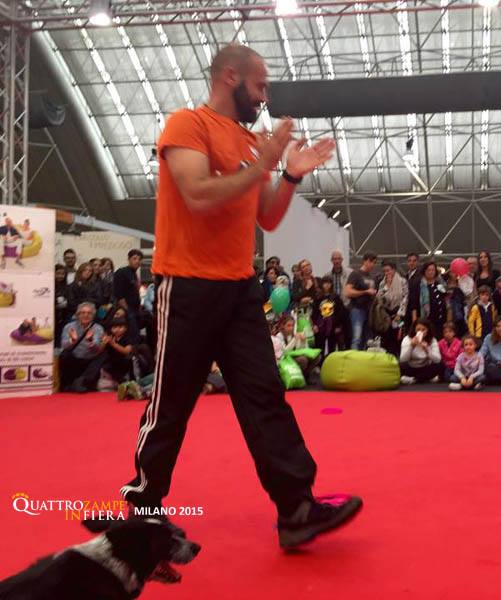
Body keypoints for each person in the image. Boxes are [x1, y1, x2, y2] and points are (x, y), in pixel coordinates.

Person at [119, 44, 360, 550]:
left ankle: (296, 509)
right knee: (171, 404)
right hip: (186, 284)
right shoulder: (188, 124)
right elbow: (198, 193)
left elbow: (266, 216)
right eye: (260, 85)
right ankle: (143, 511)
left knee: (265, 397)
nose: (265, 96)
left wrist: (289, 174)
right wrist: (264, 163)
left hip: (238, 287)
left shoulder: (251, 142)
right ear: (231, 77)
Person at [59, 302, 107, 393]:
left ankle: (82, 381)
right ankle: (67, 384)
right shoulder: (69, 327)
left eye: (89, 313)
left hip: (89, 359)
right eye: (83, 313)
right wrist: (72, 341)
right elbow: (64, 346)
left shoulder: (98, 328)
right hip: (74, 359)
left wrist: (90, 341)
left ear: (93, 316)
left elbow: (97, 349)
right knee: (64, 354)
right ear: (78, 315)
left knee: (103, 355)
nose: (86, 315)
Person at [345, 252, 378, 350]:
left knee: (366, 340)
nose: (373, 265)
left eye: (374, 263)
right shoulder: (355, 274)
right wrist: (365, 292)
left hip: (369, 311)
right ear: (365, 261)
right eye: (371, 262)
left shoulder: (372, 277)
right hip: (357, 309)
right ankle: (353, 358)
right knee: (357, 338)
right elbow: (348, 292)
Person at [376, 261, 408, 356]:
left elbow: (405, 298)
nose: (386, 273)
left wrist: (399, 314)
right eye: (384, 271)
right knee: (386, 337)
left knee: (398, 336)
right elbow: (379, 298)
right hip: (386, 314)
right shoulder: (382, 283)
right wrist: (387, 286)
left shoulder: (402, 281)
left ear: (394, 270)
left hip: (399, 313)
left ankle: (397, 357)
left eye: (388, 270)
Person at [276, 315, 320, 383]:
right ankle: (294, 378)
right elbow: (284, 352)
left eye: (292, 325)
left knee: (316, 357)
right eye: (288, 325)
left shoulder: (293, 334)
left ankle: (305, 376)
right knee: (303, 360)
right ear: (283, 326)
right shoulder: (279, 336)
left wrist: (303, 341)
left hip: (292, 357)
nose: (291, 328)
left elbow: (301, 350)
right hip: (283, 360)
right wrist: (295, 339)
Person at [399, 318, 443, 384]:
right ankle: (425, 379)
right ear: (414, 330)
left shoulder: (432, 339)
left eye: (423, 330)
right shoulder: (407, 339)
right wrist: (411, 346)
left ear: (428, 330)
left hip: (425, 367)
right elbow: (403, 359)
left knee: (441, 365)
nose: (420, 332)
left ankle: (414, 380)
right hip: (411, 367)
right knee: (400, 366)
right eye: (418, 329)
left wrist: (427, 350)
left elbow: (437, 359)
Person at [312, 276, 347, 360]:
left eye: (329, 283)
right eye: (325, 283)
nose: (327, 285)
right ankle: (320, 364)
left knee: (332, 347)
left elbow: (340, 312)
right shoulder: (318, 297)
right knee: (319, 347)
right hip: (320, 326)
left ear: (331, 284)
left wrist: (338, 326)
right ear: (322, 284)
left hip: (332, 326)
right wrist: (314, 325)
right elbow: (315, 312)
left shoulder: (336, 297)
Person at [113, 249, 144, 344]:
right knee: (133, 337)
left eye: (139, 259)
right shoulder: (122, 272)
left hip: (135, 310)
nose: (137, 261)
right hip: (127, 311)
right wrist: (127, 311)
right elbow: (119, 295)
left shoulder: (134, 274)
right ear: (129, 259)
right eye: (134, 258)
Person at [418, 261, 448, 338]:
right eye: (428, 270)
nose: (431, 272)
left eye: (433, 270)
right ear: (424, 271)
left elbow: (445, 298)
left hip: (442, 320)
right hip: (428, 320)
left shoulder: (440, 284)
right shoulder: (421, 286)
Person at [102, 317, 135, 386]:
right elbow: (101, 350)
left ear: (125, 328)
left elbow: (127, 351)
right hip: (111, 363)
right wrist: (104, 343)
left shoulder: (128, 338)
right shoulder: (110, 337)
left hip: (124, 362)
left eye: (120, 327)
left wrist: (114, 344)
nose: (117, 329)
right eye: (114, 327)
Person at [55, 264, 71, 347]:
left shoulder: (67, 287)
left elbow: (71, 301)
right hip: (53, 316)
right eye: (58, 273)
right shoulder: (50, 285)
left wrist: (66, 303)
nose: (60, 276)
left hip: (65, 316)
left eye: (63, 274)